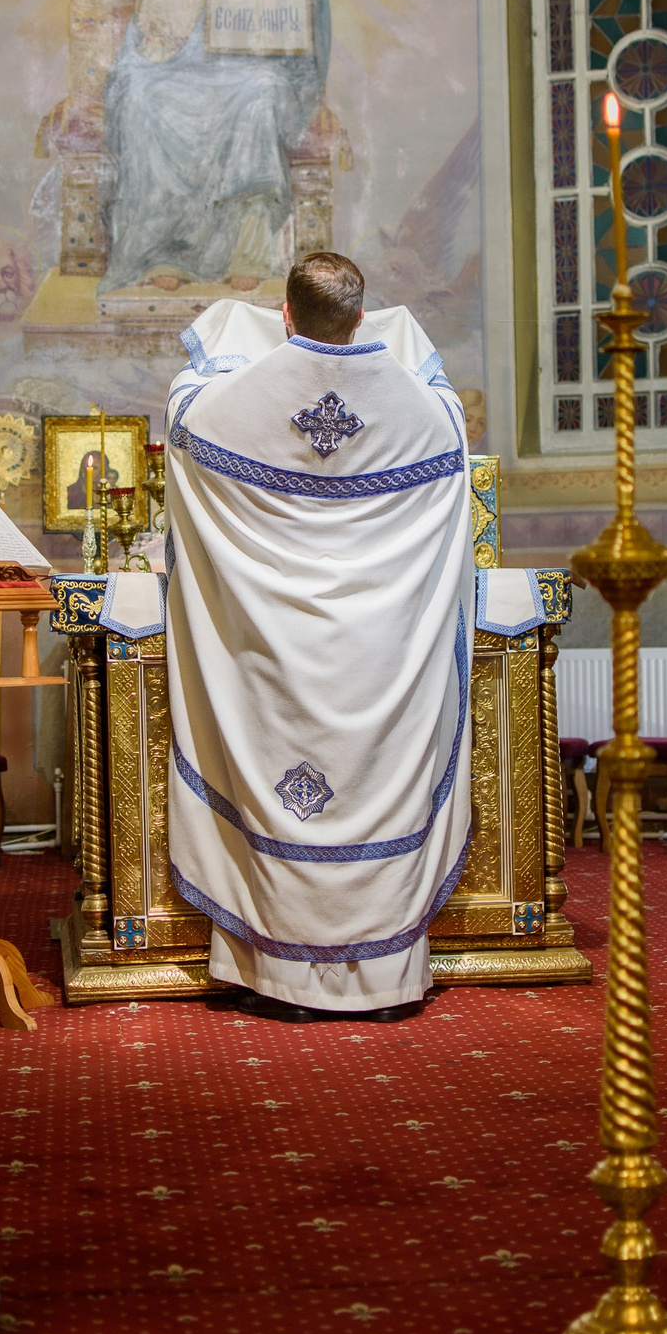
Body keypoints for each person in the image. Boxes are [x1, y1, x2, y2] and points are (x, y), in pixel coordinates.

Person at [161, 253, 472, 1020]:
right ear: (363, 319)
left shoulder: (229, 405)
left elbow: (184, 415)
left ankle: (277, 975)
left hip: (272, 655)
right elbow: (447, 423)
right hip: (381, 657)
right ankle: (388, 979)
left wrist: (233, 350)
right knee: (378, 785)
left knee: (279, 785)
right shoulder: (428, 415)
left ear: (285, 316)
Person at [79, 0, 330, 294]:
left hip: (228, 73)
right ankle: (163, 252)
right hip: (160, 66)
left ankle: (246, 252)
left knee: (263, 90)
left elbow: (276, 5)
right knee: (138, 99)